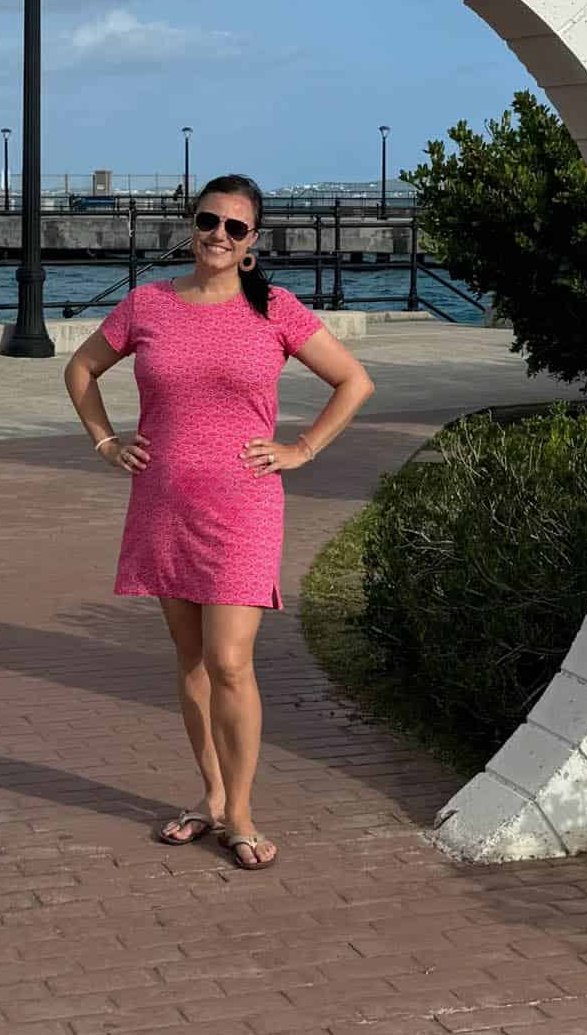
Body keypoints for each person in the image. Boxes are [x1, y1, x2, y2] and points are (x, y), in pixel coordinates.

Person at [63, 173, 375, 870]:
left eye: (236, 227)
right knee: (192, 660)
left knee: (231, 659)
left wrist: (302, 448)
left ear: (252, 242)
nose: (219, 236)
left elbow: (354, 380)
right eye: (210, 221)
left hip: (245, 506)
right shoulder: (148, 303)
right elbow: (82, 369)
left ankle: (240, 811)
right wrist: (106, 441)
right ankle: (210, 795)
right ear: (192, 223)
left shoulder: (277, 310)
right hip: (163, 504)